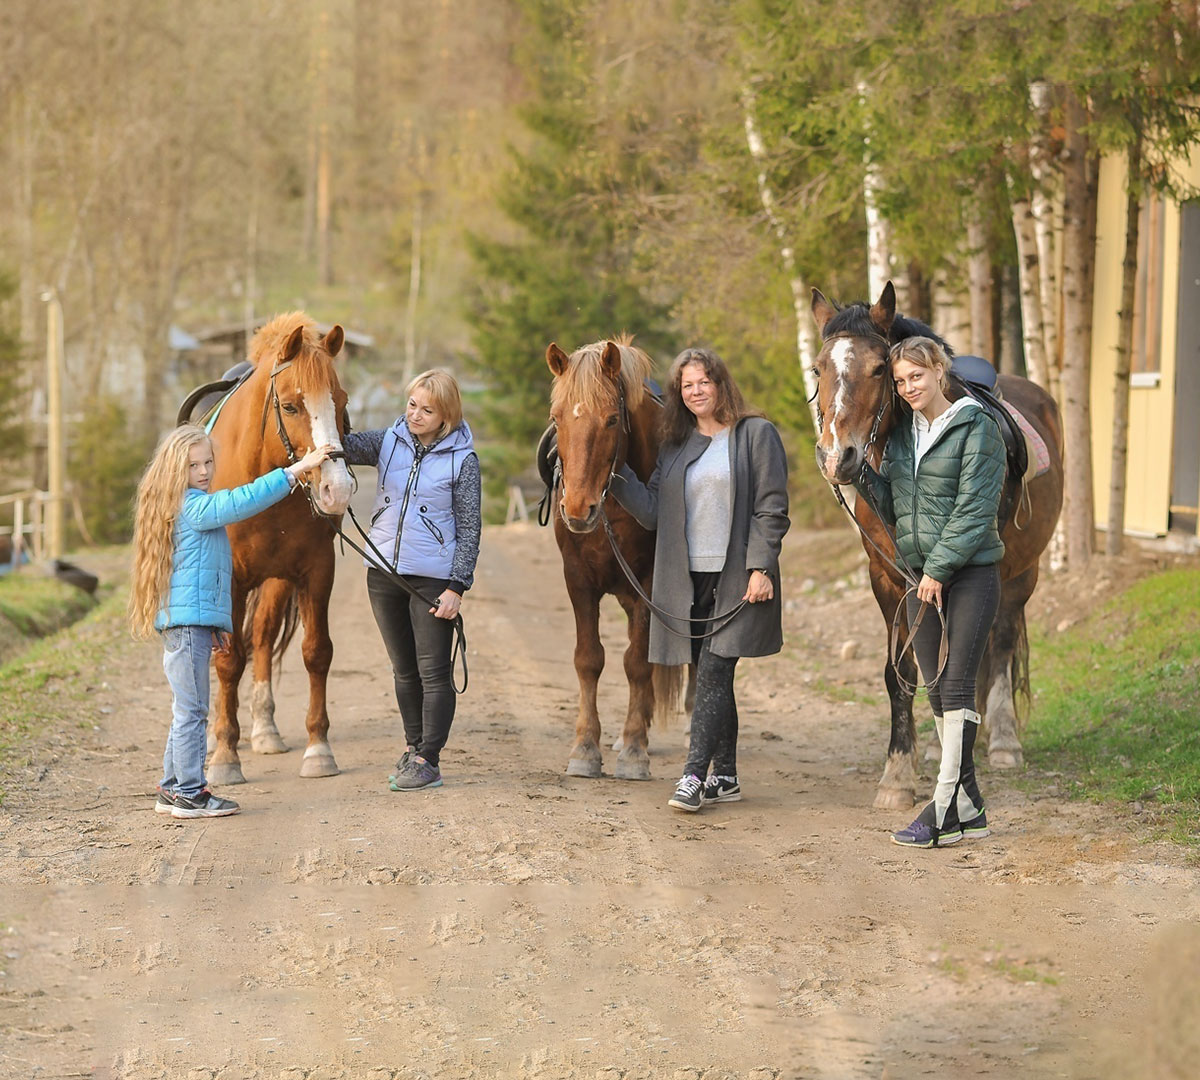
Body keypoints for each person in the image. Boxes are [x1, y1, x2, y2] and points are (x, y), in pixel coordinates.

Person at [611, 347, 789, 812]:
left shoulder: (755, 434)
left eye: (703, 383)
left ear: (720, 384)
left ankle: (693, 775)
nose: (695, 392)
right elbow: (652, 513)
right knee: (712, 675)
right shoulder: (675, 445)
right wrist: (617, 476)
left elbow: (771, 507)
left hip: (738, 578)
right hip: (686, 584)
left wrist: (761, 566)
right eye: (687, 385)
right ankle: (725, 775)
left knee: (712, 672)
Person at [129, 424, 332, 819]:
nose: (204, 471)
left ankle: (172, 788)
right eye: (193, 466)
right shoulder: (194, 508)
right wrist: (294, 471)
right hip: (187, 629)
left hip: (191, 624)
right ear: (175, 470)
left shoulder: (187, 506)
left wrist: (220, 625)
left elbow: (208, 577)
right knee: (193, 713)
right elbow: (242, 501)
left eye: (208, 462)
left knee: (185, 710)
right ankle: (190, 792)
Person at [855, 336, 1006, 848]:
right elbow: (896, 505)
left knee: (958, 685)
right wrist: (858, 477)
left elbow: (975, 509)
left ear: (939, 371)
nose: (908, 387)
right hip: (921, 579)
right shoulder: (902, 438)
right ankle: (971, 807)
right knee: (937, 690)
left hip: (969, 575)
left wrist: (939, 569)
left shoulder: (976, 427)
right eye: (900, 381)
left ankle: (941, 808)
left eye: (916, 376)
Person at [343, 369, 481, 792]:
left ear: (446, 415)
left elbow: (470, 527)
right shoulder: (388, 440)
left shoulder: (463, 460)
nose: (415, 415)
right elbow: (340, 446)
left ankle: (429, 759)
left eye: (427, 409)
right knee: (403, 670)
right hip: (382, 573)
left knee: (432, 671)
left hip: (432, 579)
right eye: (412, 404)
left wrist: (456, 586)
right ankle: (413, 747)